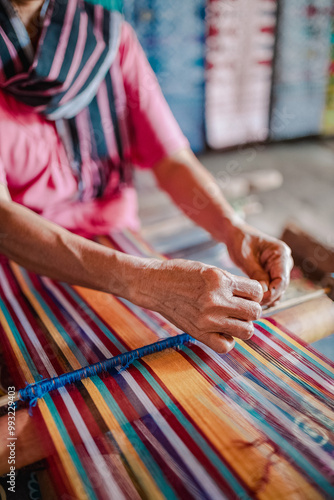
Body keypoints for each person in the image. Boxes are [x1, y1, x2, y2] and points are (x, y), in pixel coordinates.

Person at [0, 0, 292, 353]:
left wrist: (232, 229)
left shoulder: (108, 38)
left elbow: (170, 161)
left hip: (122, 246)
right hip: (22, 266)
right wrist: (143, 281)